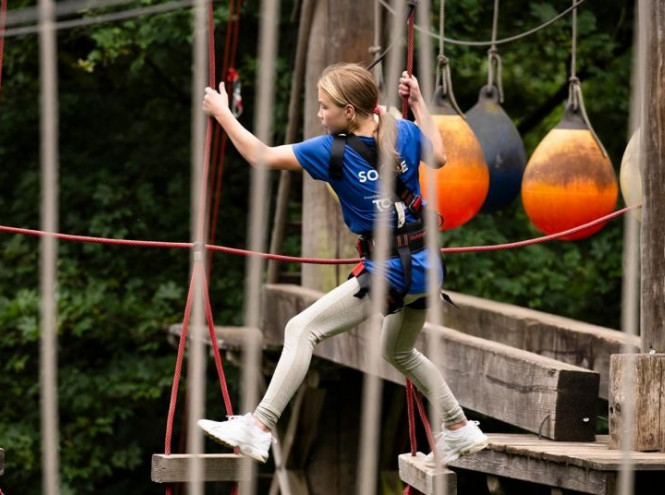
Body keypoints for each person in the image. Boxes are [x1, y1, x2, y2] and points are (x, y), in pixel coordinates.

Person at [197, 63, 489, 466]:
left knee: (301, 329)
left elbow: (260, 156)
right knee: (398, 351)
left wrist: (222, 113)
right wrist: (420, 104)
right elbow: (438, 157)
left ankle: (259, 427)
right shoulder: (402, 130)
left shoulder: (330, 150)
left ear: (349, 111)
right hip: (427, 269)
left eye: (325, 107)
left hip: (390, 272)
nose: (320, 115)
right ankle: (458, 427)